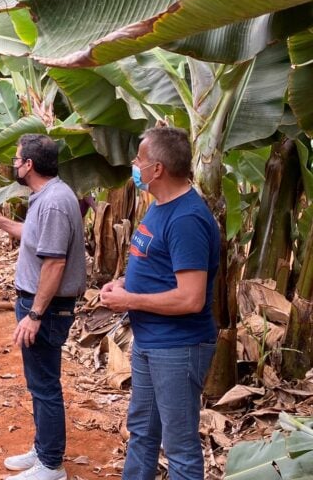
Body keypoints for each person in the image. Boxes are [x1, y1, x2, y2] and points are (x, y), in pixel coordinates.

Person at [100, 126, 220, 480]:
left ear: (158, 169)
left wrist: (129, 299)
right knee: (142, 432)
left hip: (178, 347)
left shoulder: (187, 219)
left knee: (179, 447)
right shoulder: (160, 207)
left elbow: (191, 298)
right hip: (151, 341)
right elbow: (157, 265)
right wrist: (125, 283)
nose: (135, 164)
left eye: (139, 158)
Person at [0, 134, 86, 480]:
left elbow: (53, 263)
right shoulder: (47, 196)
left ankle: (51, 464)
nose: (14, 164)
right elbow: (34, 235)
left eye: (18, 158)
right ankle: (42, 450)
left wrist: (35, 315)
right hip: (38, 304)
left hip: (47, 309)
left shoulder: (53, 203)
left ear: (30, 166)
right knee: (39, 382)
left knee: (45, 385)